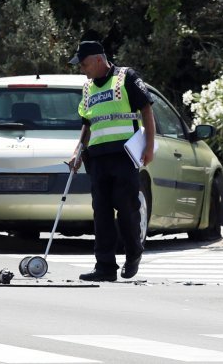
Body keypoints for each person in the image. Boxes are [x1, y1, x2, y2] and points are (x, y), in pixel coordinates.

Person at [68, 36, 156, 282]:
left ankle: (133, 253)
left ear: (98, 60)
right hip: (96, 157)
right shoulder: (87, 88)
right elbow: (87, 124)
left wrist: (149, 146)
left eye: (84, 64)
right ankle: (105, 267)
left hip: (123, 154)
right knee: (102, 212)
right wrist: (77, 152)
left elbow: (147, 109)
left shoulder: (126, 77)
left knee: (126, 207)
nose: (82, 69)